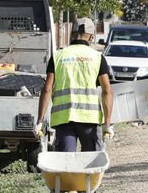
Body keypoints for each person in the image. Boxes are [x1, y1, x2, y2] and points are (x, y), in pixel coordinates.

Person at [36, 17, 115, 152]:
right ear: (91, 37)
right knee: (90, 163)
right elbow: (107, 91)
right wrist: (107, 124)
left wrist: (40, 121)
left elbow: (47, 89)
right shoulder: (97, 57)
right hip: (89, 119)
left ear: (72, 34)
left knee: (66, 162)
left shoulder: (57, 57)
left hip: (64, 119)